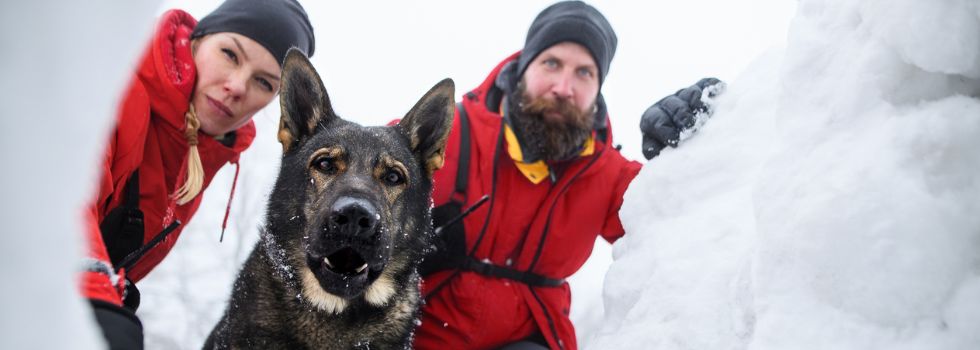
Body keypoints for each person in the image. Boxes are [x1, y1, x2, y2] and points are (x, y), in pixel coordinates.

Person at [414, 1, 722, 349]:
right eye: (552, 63)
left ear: (597, 89)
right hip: (416, 337)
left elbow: (685, 208)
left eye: (584, 72)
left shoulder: (606, 174)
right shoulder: (449, 136)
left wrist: (703, 134)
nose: (564, 87)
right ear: (524, 66)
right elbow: (368, 169)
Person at [79, 0, 314, 348]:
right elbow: (59, 204)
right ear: (199, 39)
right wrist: (97, 296)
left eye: (263, 83)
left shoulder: (199, 153)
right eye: (230, 54)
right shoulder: (118, 87)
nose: (237, 86)